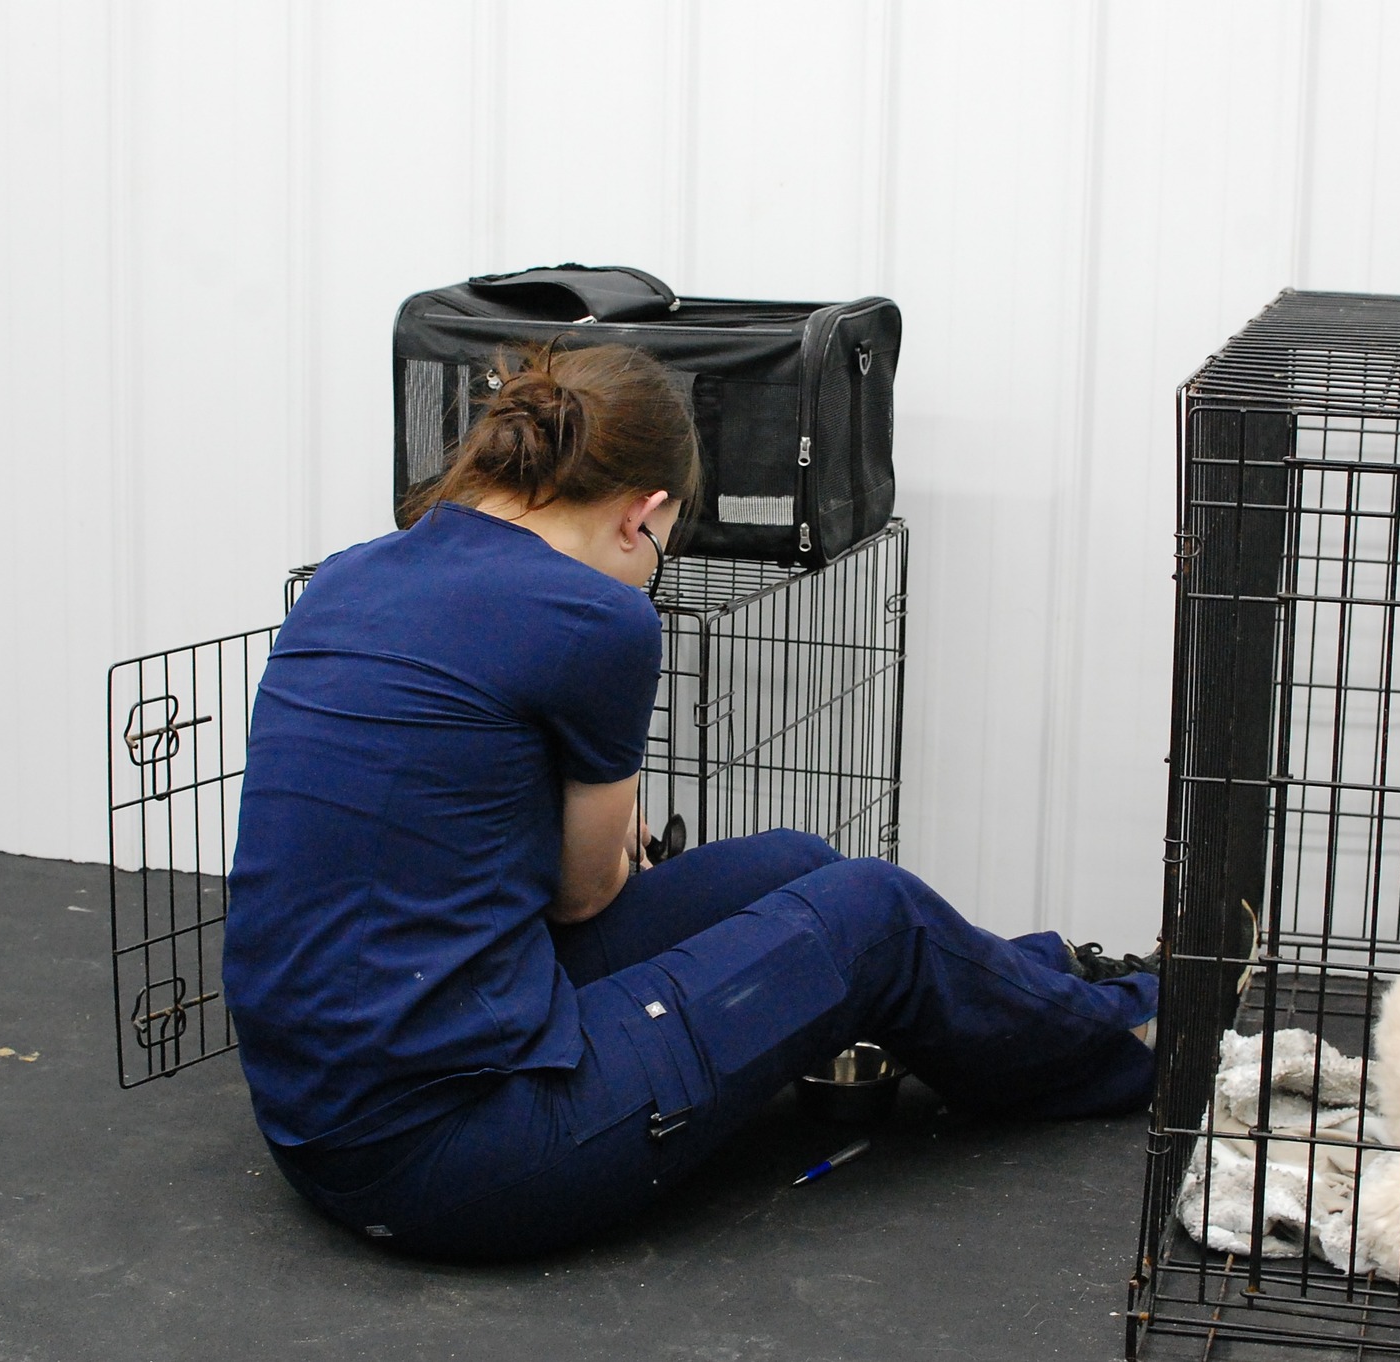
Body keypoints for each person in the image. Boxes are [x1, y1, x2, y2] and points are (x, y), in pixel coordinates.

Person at [222, 342, 1159, 1262]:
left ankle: (1048, 981)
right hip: (458, 1153)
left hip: (315, 1117)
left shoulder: (350, 574)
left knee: (797, 864)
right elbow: (585, 896)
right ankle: (1139, 1036)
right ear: (643, 514)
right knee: (874, 912)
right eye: (664, 549)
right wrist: (598, 814)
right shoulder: (599, 617)